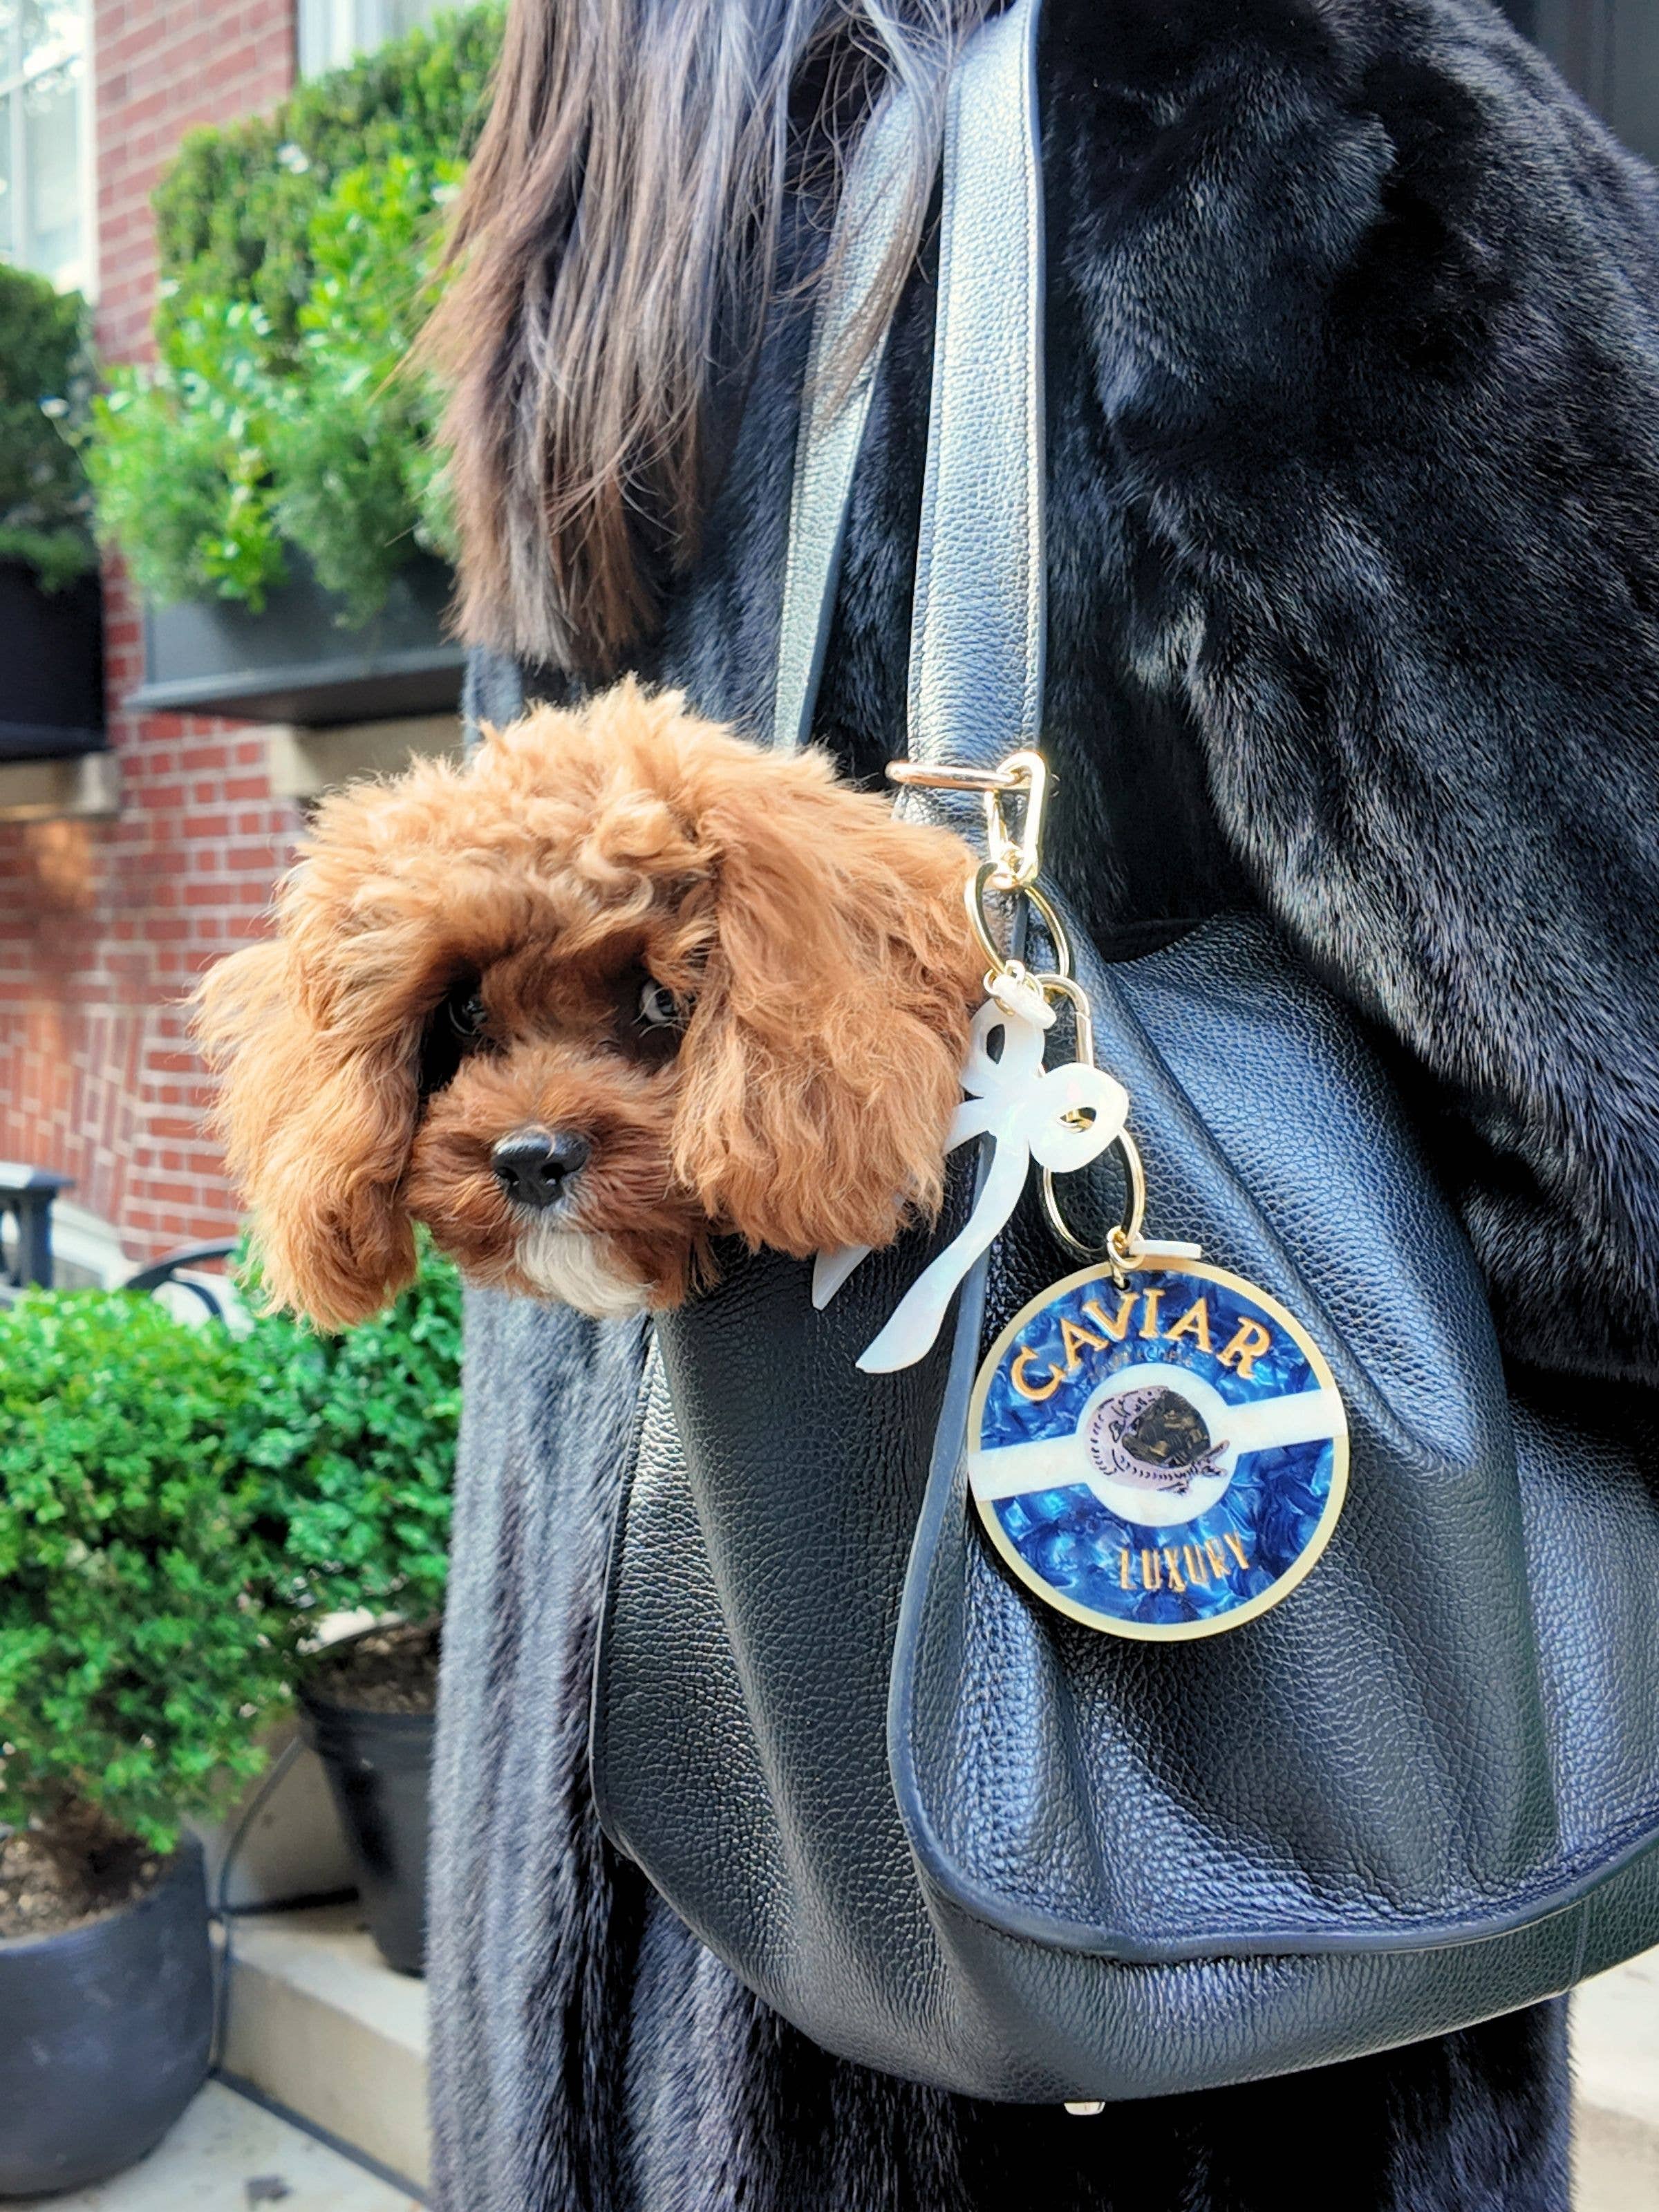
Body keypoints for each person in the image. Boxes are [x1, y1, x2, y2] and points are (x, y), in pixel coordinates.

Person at [420, 1, 1659, 2204]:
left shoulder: (594, 187)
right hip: (1203, 1892)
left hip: (638, 1824)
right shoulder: (1249, 89)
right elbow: (1613, 1099)